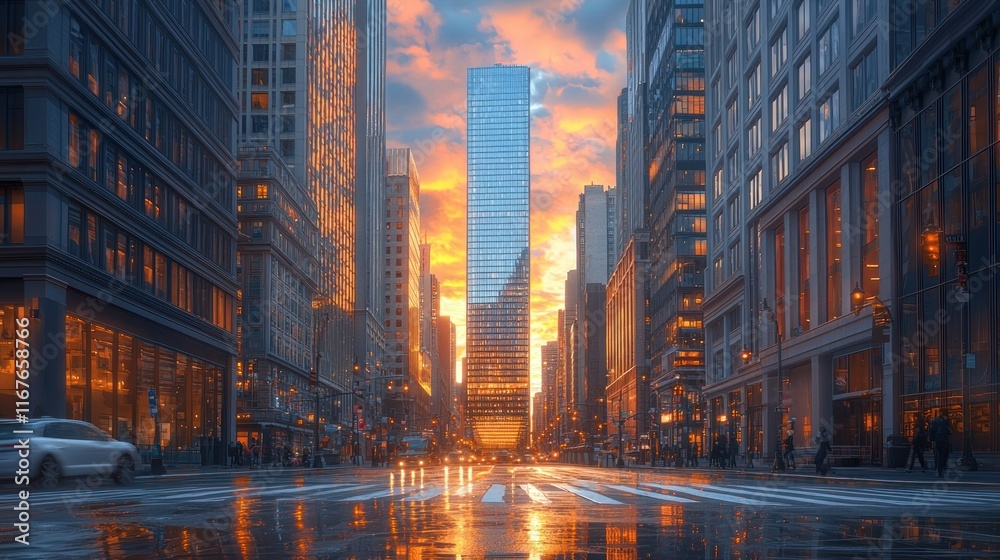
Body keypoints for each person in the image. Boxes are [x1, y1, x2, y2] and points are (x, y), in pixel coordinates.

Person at [929, 411, 952, 478]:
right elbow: (950, 431)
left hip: (937, 441)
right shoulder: (946, 422)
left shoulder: (934, 422)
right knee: (944, 456)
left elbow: (931, 431)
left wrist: (931, 440)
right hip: (944, 440)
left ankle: (939, 470)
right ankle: (941, 469)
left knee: (938, 456)